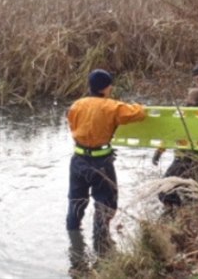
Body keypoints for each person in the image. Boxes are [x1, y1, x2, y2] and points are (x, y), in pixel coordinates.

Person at [66, 69, 146, 270]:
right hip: (101, 163)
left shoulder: (76, 105)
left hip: (78, 160)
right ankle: (101, 250)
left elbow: (71, 124)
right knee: (106, 204)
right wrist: (136, 104)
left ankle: (75, 250)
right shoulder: (113, 107)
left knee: (76, 202)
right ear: (106, 87)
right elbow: (139, 113)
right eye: (110, 85)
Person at [153, 63, 198, 207]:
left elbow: (170, 134)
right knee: (191, 192)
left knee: (165, 190)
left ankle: (177, 211)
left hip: (186, 159)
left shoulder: (193, 112)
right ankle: (183, 212)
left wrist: (159, 151)